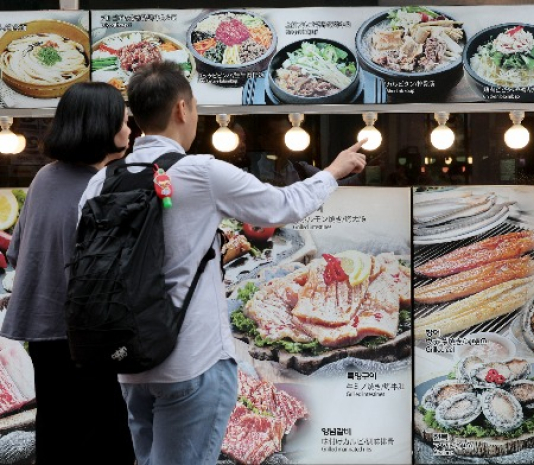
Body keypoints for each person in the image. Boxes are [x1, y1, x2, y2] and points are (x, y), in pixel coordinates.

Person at [79, 61, 367, 465]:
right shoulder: (200, 173)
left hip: (129, 363)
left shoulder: (100, 182)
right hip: (191, 360)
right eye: (195, 106)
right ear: (182, 108)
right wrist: (333, 172)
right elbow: (282, 205)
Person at [0, 82, 135, 464]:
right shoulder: (105, 186)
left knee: (57, 438)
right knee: (108, 442)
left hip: (45, 336)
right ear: (100, 127)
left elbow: (17, 253)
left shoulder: (44, 178)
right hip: (92, 341)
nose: (130, 131)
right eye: (123, 122)